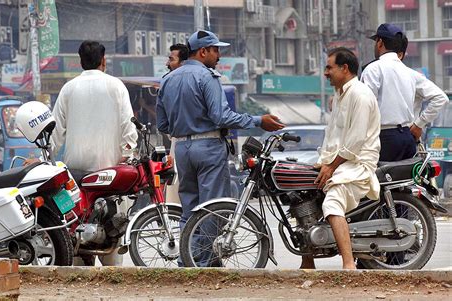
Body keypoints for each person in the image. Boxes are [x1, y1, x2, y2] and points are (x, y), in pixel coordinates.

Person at [156, 30, 284, 266]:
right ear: (203, 51)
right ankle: (202, 263)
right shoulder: (208, 77)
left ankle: (187, 262)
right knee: (213, 209)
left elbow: (162, 124)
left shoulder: (168, 80)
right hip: (208, 147)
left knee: (190, 210)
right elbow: (221, 116)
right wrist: (258, 121)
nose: (219, 56)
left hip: (182, 149)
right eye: (215, 50)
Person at [51, 40, 138, 266]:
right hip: (109, 172)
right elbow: (129, 127)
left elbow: (55, 132)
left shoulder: (68, 89)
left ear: (81, 62)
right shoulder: (116, 86)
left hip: (76, 175)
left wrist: (46, 159)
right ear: (103, 61)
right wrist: (127, 156)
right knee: (112, 232)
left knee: (77, 233)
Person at [300, 47, 381, 270]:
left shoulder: (360, 95)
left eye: (329, 68)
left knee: (333, 202)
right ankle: (307, 261)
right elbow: (332, 135)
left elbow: (355, 140)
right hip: (338, 162)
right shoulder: (339, 96)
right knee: (301, 194)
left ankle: (348, 264)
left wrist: (331, 166)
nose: (325, 73)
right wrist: (321, 164)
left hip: (357, 163)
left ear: (344, 68)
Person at [361, 23, 448, 161]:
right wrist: (419, 124)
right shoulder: (410, 73)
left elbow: (365, 108)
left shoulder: (373, 69)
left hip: (383, 138)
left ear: (380, 42)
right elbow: (441, 97)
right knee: (405, 181)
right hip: (407, 137)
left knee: (376, 181)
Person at [163, 43, 189, 205]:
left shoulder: (172, 84)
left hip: (183, 142)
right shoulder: (169, 84)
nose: (167, 63)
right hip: (177, 142)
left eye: (171, 59)